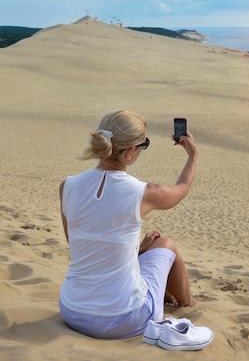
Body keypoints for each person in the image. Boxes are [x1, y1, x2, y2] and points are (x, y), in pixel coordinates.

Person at [58, 109, 198, 340]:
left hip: (73, 311)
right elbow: (181, 189)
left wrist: (138, 250)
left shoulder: (68, 186)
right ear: (131, 151)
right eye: (144, 145)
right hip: (123, 319)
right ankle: (188, 303)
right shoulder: (143, 192)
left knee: (148, 250)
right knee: (166, 244)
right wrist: (192, 157)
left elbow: (80, 246)